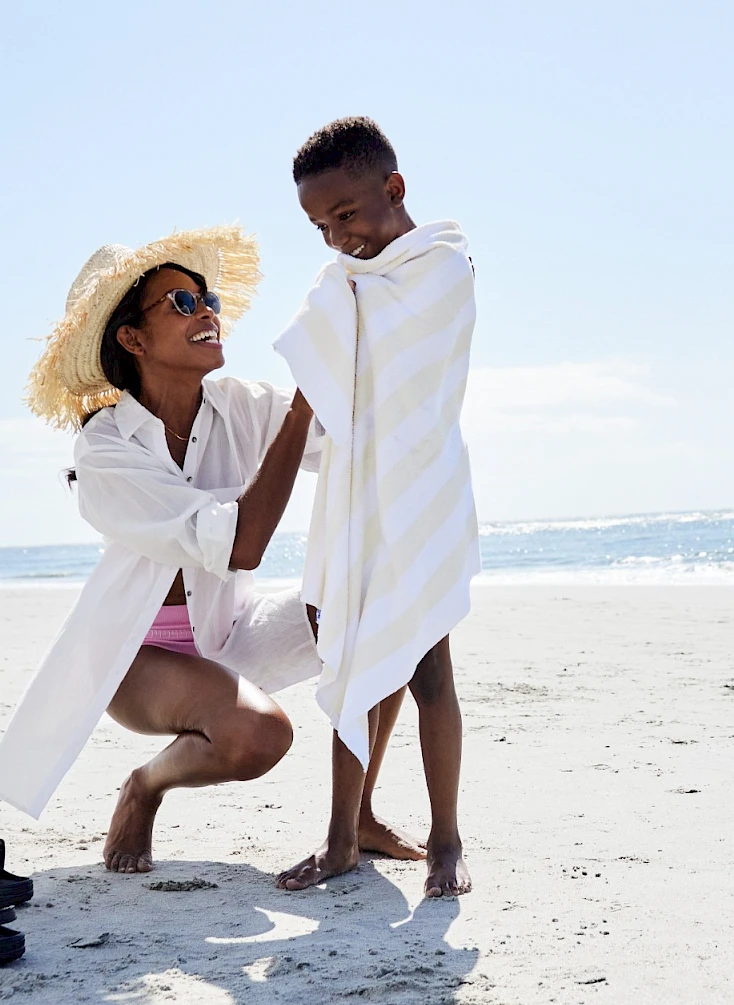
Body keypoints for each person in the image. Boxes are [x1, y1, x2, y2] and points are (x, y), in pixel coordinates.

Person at [0, 227, 413, 874]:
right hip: (140, 657)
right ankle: (146, 785)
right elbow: (241, 544)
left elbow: (355, 436)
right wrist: (300, 410)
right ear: (132, 338)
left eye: (206, 296)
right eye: (182, 303)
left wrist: (381, 321)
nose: (207, 311)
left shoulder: (238, 404)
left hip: (231, 629)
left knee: (389, 612)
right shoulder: (106, 452)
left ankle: (357, 815)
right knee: (262, 736)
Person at [273, 118, 478, 898]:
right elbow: (319, 383)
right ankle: (340, 836)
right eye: (320, 226)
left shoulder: (444, 265)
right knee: (353, 656)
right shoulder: (340, 286)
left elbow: (418, 376)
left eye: (346, 215)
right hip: (355, 494)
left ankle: (448, 839)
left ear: (393, 190)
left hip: (421, 489)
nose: (335, 239)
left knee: (429, 669)